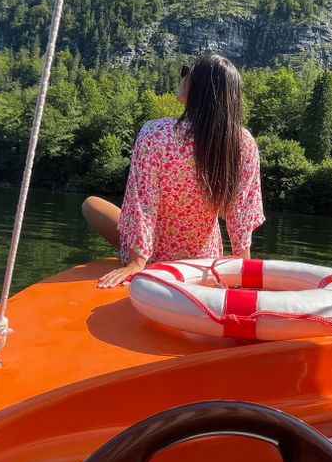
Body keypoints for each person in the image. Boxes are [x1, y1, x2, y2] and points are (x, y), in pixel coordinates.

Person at [83, 54, 265, 288]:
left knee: (90, 205)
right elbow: (242, 211)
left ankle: (139, 253)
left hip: (153, 258)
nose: (183, 76)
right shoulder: (243, 143)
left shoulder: (155, 133)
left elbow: (143, 202)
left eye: (186, 71)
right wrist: (244, 265)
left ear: (197, 86)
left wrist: (136, 263)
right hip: (201, 263)